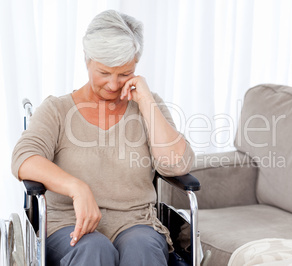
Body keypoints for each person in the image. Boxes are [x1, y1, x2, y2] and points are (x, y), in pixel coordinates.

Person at [11, 10, 194, 266]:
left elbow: (177, 164)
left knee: (143, 248)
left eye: (124, 73)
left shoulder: (147, 106)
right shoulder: (57, 110)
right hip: (68, 222)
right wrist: (77, 188)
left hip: (135, 222)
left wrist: (146, 102)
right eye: (105, 73)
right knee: (93, 249)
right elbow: (24, 159)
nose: (113, 84)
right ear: (87, 60)